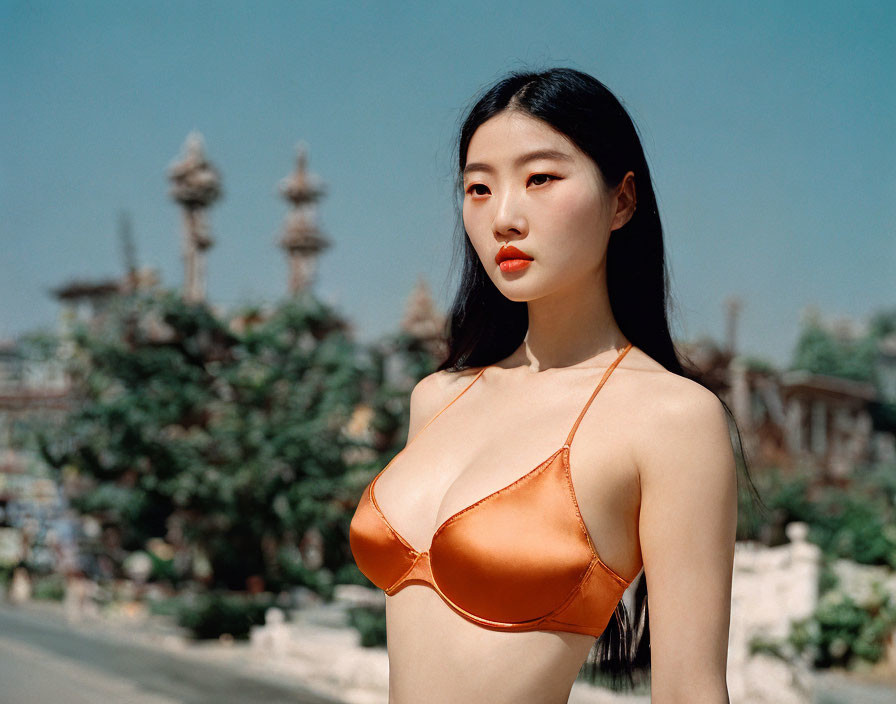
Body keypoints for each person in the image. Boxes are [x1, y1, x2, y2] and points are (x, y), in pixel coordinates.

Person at [350, 66, 755, 703]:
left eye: (540, 179)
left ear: (622, 200)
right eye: (478, 189)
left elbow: (688, 691)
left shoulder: (672, 418)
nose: (504, 217)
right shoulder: (436, 398)